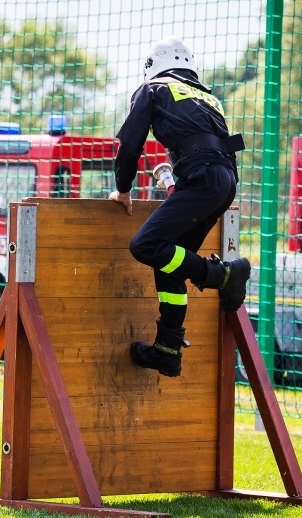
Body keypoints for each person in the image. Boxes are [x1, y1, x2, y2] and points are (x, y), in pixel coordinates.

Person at [109, 36, 251, 378]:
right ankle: (167, 349)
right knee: (169, 263)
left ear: (151, 66)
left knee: (145, 246)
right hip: (225, 181)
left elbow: (130, 143)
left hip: (200, 178)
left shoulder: (153, 88)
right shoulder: (207, 96)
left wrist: (123, 189)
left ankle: (222, 274)